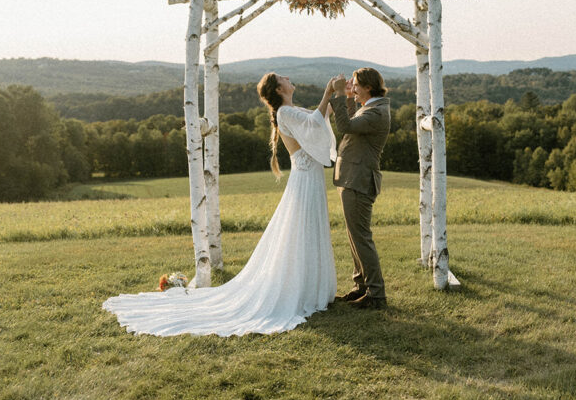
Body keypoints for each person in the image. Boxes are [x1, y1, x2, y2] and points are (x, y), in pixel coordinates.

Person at [102, 73, 338, 336]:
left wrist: (338, 96)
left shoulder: (291, 110)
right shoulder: (284, 112)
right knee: (301, 231)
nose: (289, 78)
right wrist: (328, 90)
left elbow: (317, 118)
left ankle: (307, 286)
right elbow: (313, 122)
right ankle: (300, 289)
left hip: (309, 177)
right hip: (305, 179)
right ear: (278, 88)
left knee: (307, 231)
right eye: (284, 77)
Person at [329, 67, 391, 310]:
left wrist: (337, 95)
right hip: (352, 178)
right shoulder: (371, 107)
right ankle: (361, 287)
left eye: (355, 85)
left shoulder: (376, 112)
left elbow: (345, 126)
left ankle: (376, 294)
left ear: (368, 87)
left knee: (361, 238)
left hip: (359, 180)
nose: (352, 89)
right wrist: (346, 98)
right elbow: (354, 121)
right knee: (355, 237)